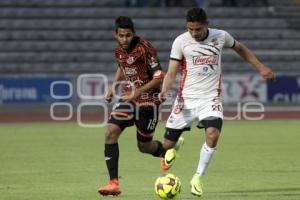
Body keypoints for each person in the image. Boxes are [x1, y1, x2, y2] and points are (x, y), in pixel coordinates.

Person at [158, 7, 275, 197]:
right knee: (167, 144)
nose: (194, 33)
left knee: (212, 134)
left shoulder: (221, 36)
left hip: (210, 98)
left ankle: (197, 177)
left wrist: (261, 67)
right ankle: (177, 144)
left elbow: (240, 48)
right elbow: (171, 72)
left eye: (198, 29)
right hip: (186, 99)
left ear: (206, 24)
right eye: (190, 29)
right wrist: (164, 90)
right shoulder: (180, 41)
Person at [98, 16, 166, 196]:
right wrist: (113, 86)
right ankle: (113, 183)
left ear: (133, 33)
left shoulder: (145, 48)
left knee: (144, 146)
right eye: (121, 35)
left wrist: (137, 92)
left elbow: (159, 76)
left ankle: (167, 151)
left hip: (148, 102)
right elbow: (122, 66)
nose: (124, 39)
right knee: (110, 132)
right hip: (129, 100)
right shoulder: (118, 50)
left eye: (128, 35)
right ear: (116, 35)